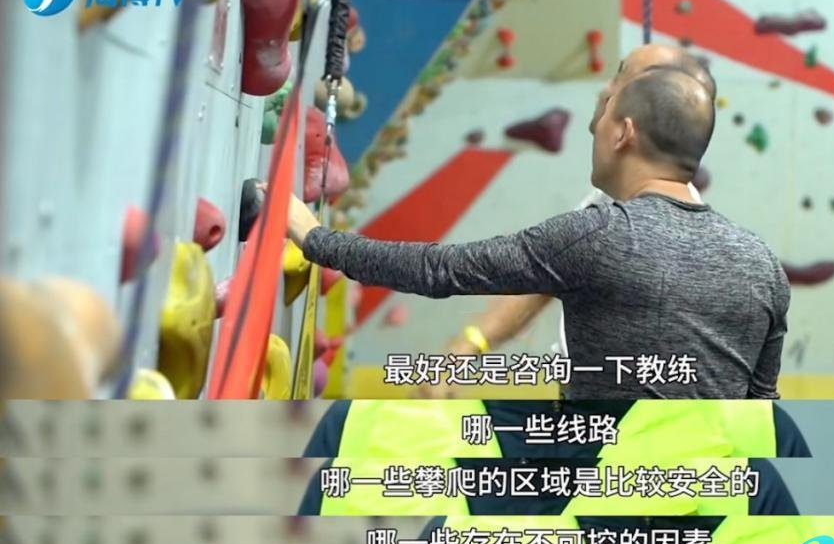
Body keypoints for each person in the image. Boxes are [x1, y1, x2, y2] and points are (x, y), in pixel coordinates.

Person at [282, 49, 790, 400]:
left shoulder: (599, 234)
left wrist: (315, 238)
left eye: (611, 102)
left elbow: (440, 270)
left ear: (624, 133)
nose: (597, 116)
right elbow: (762, 409)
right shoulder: (763, 266)